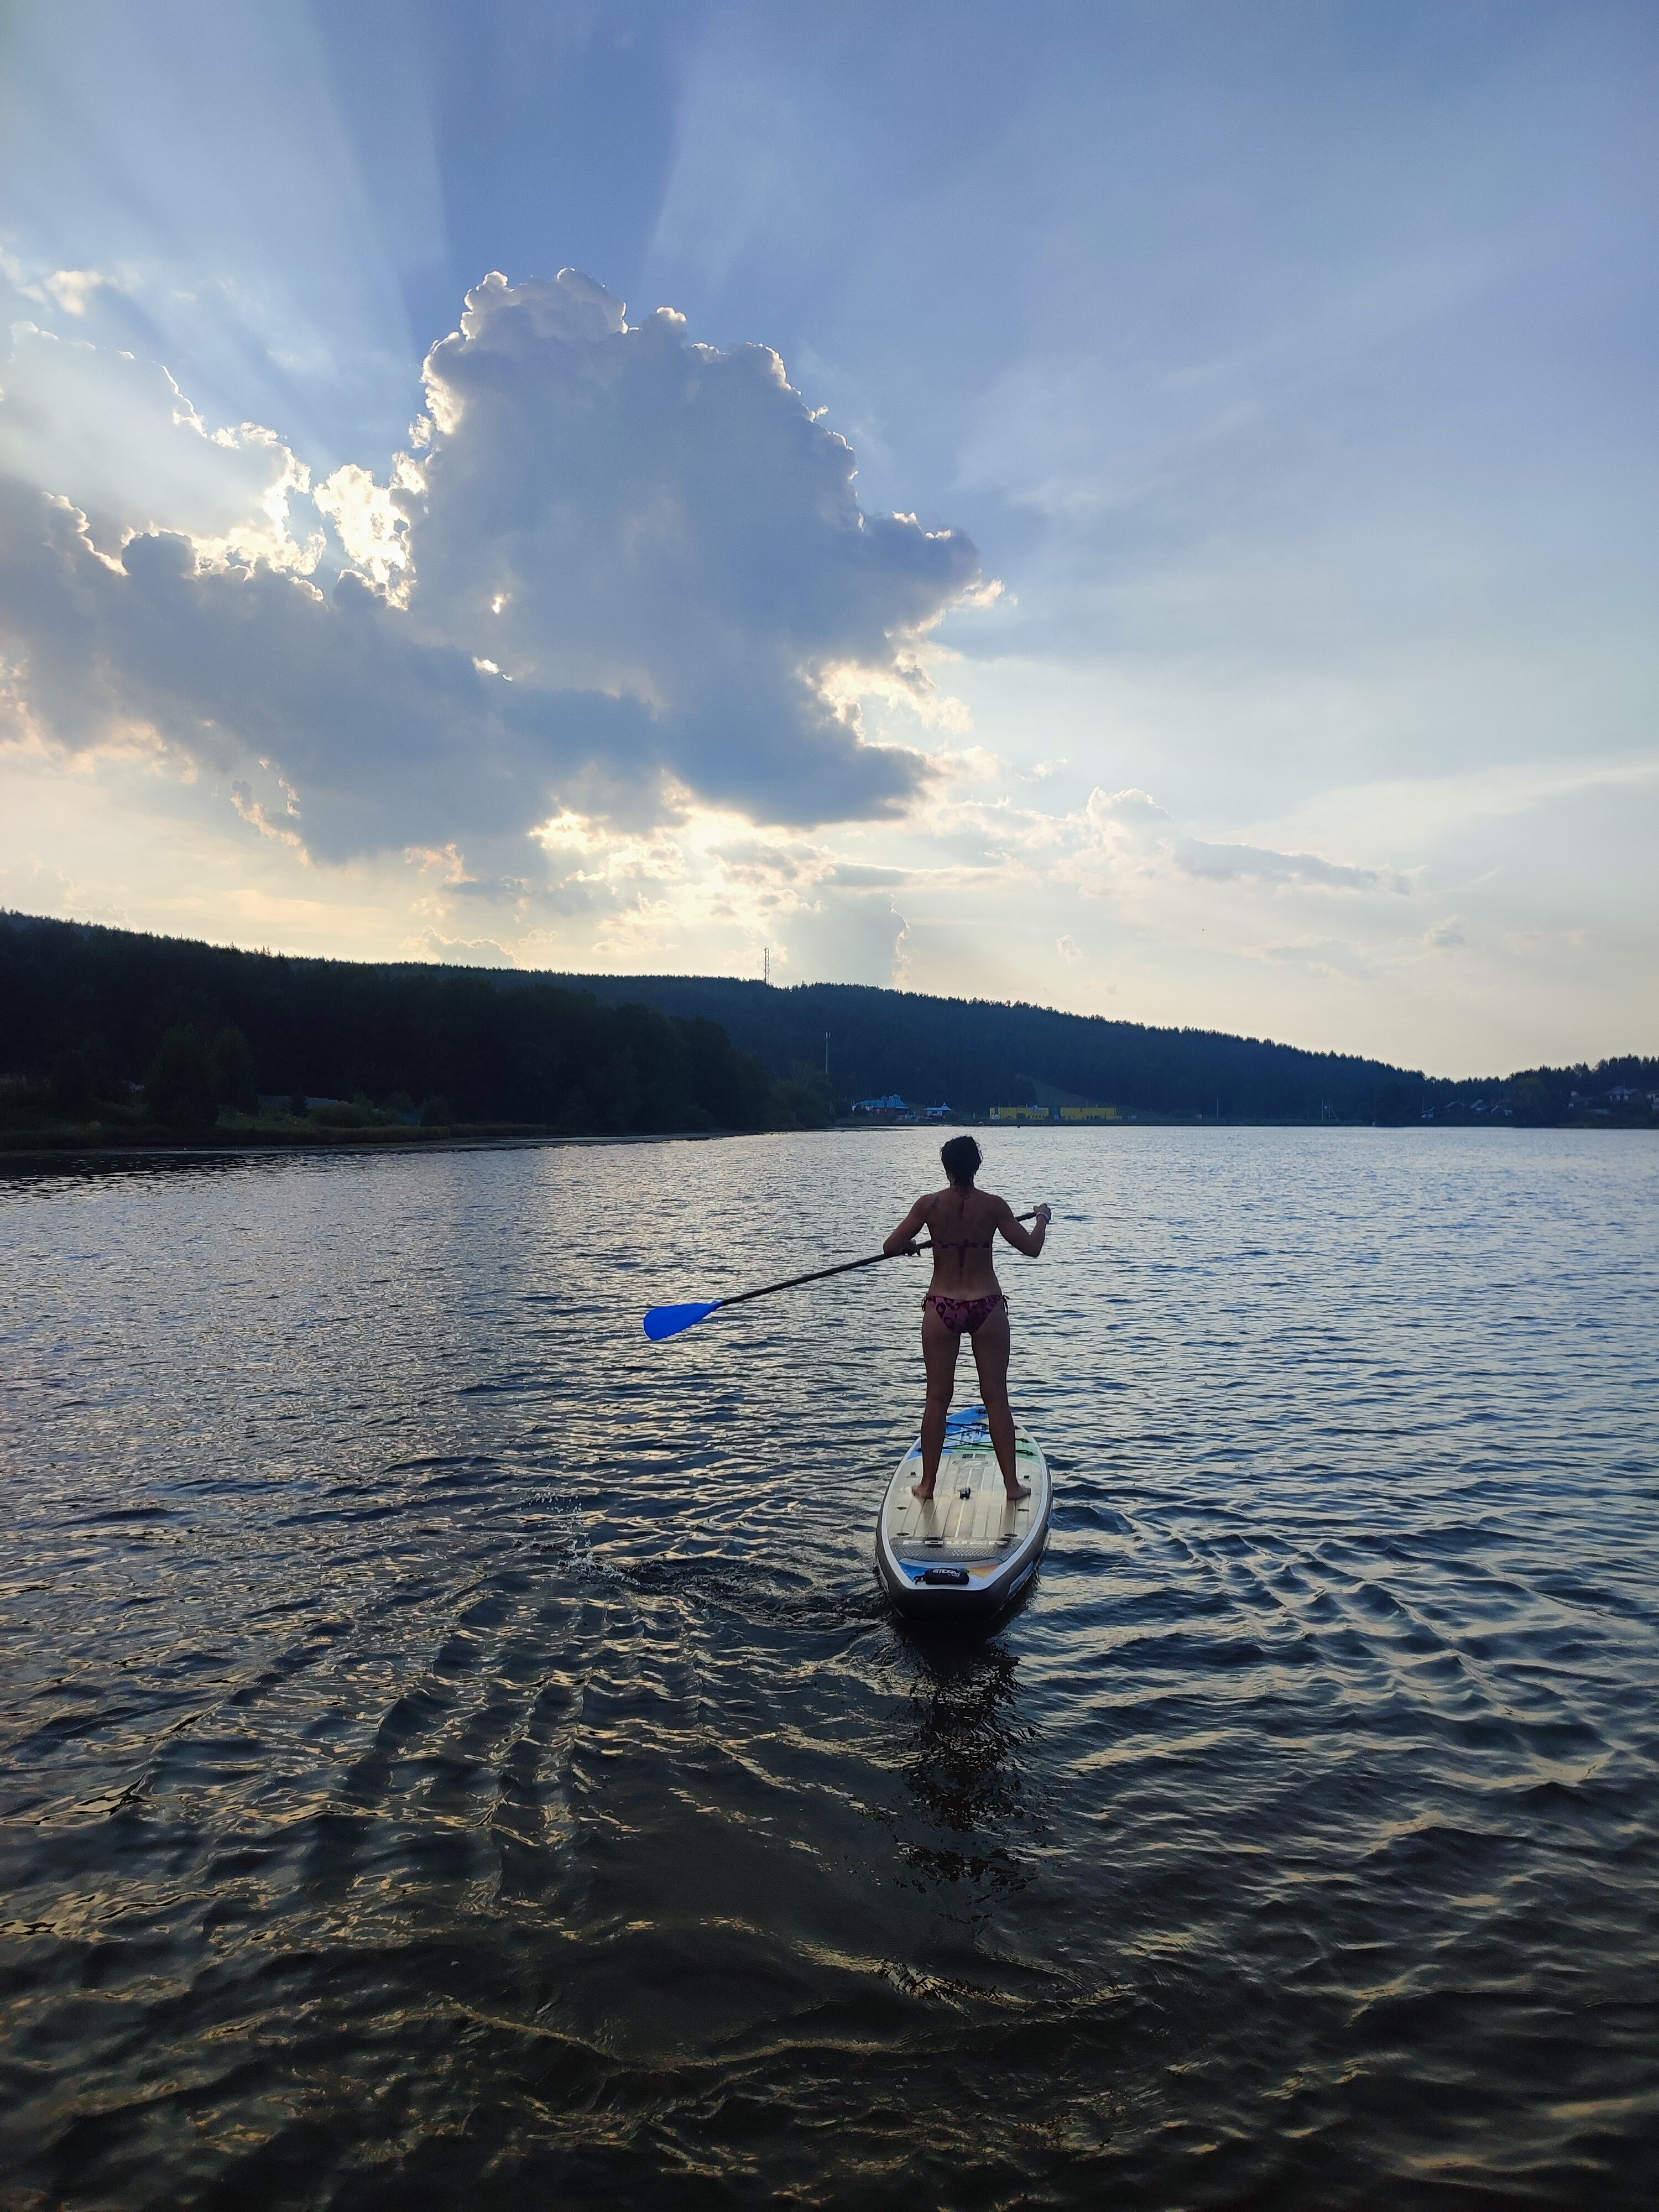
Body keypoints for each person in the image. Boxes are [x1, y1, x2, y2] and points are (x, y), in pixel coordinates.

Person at [883, 1135, 1051, 1504]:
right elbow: (1032, 1248)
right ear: (976, 1166)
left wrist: (911, 1247)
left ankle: (927, 1486)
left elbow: (890, 1246)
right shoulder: (994, 1207)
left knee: (937, 1399)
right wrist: (1042, 1217)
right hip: (986, 1306)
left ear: (948, 1168)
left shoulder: (929, 1206)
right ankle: (1011, 1487)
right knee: (996, 1399)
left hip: (941, 1306)